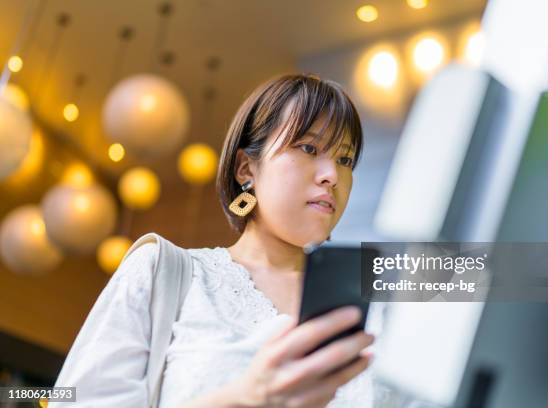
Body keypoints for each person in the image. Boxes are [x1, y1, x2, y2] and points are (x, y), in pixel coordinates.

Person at [50, 74, 403, 407]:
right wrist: (247, 396)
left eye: (345, 159)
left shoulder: (383, 303)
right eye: (309, 148)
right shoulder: (166, 271)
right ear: (247, 169)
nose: (332, 176)